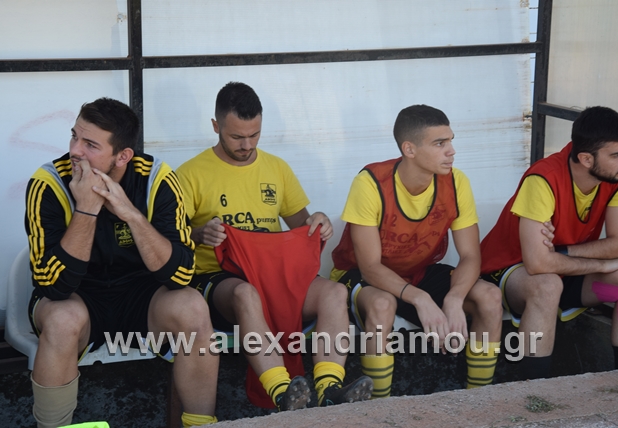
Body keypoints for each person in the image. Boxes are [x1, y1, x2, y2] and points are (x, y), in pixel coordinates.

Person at [176, 82, 372, 411]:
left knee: (335, 293)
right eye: (237, 137)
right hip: (221, 280)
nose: (247, 145)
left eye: (254, 135)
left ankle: (329, 388)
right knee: (246, 294)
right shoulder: (189, 174)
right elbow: (167, 239)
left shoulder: (277, 168)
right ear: (215, 126)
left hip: (277, 275)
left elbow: (302, 226)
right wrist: (198, 234)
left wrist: (319, 221)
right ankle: (282, 393)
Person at [25, 98, 218, 428]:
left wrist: (131, 214)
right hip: (78, 298)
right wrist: (86, 209)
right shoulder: (49, 182)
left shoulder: (157, 178)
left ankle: (200, 423)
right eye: (74, 137)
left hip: (142, 296)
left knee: (192, 308)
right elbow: (53, 287)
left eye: (90, 145)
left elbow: (181, 275)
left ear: (123, 156)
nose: (75, 151)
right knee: (61, 319)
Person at [331, 104, 503, 398]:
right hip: (362, 277)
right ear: (409, 149)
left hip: (417, 273)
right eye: (440, 143)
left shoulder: (456, 181)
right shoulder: (370, 182)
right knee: (382, 304)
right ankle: (379, 408)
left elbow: (470, 256)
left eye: (450, 141)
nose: (451, 151)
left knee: (489, 297)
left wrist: (454, 298)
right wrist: (421, 299)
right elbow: (370, 267)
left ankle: (479, 400)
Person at [480, 106, 618, 379]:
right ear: (586, 159)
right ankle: (534, 392)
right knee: (547, 284)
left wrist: (561, 252)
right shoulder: (543, 179)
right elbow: (537, 263)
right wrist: (600, 264)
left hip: (564, 267)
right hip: (511, 271)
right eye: (617, 154)